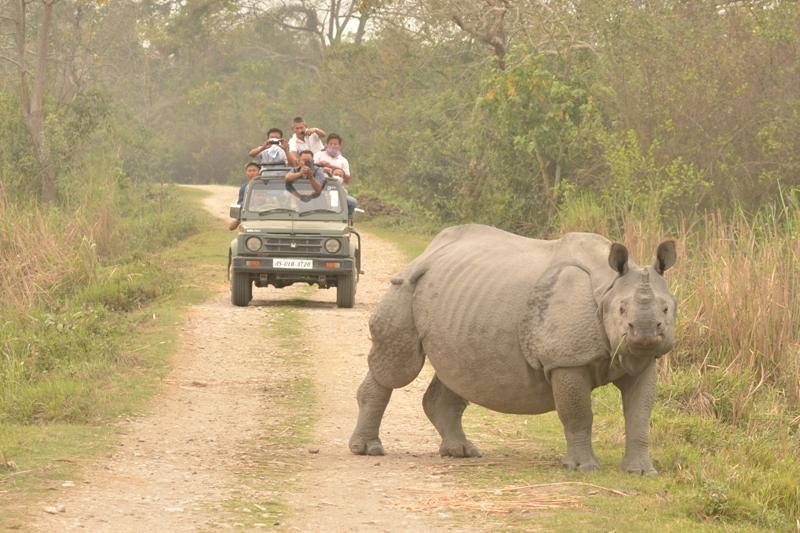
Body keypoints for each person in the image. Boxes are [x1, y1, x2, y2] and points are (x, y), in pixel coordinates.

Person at [229, 162, 261, 230]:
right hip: (249, 215)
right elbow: (240, 203)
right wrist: (238, 218)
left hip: (265, 215)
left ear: (259, 172)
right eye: (249, 171)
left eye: (254, 170)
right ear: (246, 173)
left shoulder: (266, 185)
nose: (252, 173)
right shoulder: (244, 187)